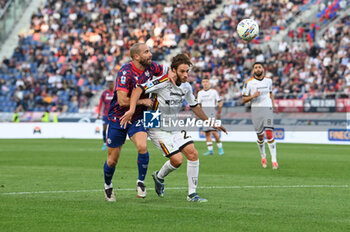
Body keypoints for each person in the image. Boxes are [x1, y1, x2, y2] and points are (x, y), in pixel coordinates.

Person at [120, 54, 227, 202]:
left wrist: (211, 122)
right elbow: (139, 89)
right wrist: (132, 108)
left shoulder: (186, 87)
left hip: (174, 125)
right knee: (177, 160)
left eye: (187, 71)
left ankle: (192, 194)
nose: (185, 75)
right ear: (174, 70)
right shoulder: (162, 82)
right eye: (182, 71)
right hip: (156, 126)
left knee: (193, 154)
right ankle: (159, 177)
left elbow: (195, 106)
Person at [103, 43, 168, 202]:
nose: (150, 54)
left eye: (150, 51)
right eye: (146, 52)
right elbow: (122, 100)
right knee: (112, 160)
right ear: (136, 57)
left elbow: (168, 71)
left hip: (138, 117)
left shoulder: (151, 67)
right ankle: (108, 185)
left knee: (142, 146)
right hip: (118, 117)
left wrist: (181, 67)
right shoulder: (125, 72)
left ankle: (141, 182)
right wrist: (143, 101)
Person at [242, 62, 279, 169]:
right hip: (256, 111)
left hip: (267, 109)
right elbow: (244, 99)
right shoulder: (248, 83)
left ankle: (274, 160)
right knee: (260, 136)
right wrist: (253, 96)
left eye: (259, 67)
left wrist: (273, 104)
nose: (258, 69)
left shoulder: (269, 81)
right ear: (253, 70)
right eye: (256, 68)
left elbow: (270, 93)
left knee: (268, 133)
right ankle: (263, 155)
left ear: (263, 69)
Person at [197, 77, 224, 156]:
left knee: (214, 131)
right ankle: (210, 150)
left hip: (212, 114)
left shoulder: (214, 92)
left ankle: (220, 148)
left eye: (206, 81)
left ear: (209, 83)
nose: (205, 83)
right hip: (204, 115)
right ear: (202, 83)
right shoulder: (200, 93)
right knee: (207, 133)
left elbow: (220, 102)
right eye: (203, 81)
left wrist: (219, 112)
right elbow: (198, 104)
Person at [97, 75, 114, 151]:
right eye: (110, 84)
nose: (111, 86)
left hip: (114, 114)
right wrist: (98, 113)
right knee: (104, 129)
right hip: (105, 114)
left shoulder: (116, 93)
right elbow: (100, 103)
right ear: (108, 85)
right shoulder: (104, 93)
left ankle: (111, 142)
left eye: (112, 84)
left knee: (113, 129)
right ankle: (104, 143)